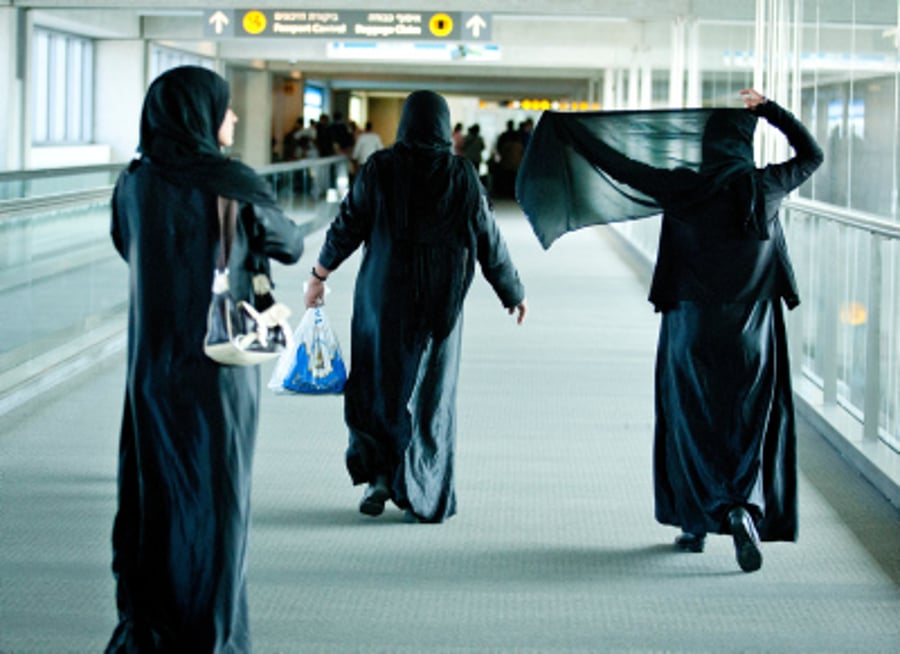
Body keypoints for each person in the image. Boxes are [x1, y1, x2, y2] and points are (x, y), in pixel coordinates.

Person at [517, 89, 823, 572]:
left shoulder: (683, 186)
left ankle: (695, 521)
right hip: (752, 332)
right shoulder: (766, 185)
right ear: (746, 144)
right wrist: (768, 111)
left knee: (691, 417)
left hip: (691, 325)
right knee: (744, 419)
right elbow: (813, 154)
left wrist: (570, 131)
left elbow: (621, 166)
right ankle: (741, 507)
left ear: (704, 146)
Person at [106, 65, 305, 651]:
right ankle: (214, 635)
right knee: (217, 504)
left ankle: (154, 628)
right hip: (219, 367)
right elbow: (289, 246)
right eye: (226, 107)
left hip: (151, 366)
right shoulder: (230, 181)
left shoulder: (134, 182)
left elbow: (125, 244)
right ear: (201, 113)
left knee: (155, 499)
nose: (235, 116)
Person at [305, 90, 528, 523]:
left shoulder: (381, 169)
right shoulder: (461, 175)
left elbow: (348, 223)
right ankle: (423, 490)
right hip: (440, 304)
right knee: (430, 394)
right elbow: (488, 238)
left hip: (382, 298)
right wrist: (512, 291)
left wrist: (319, 275)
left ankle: (380, 476)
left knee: (378, 384)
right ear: (444, 127)